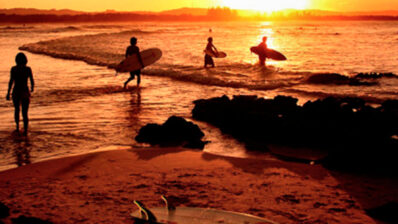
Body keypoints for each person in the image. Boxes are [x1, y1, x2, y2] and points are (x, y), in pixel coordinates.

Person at [6, 52, 34, 135]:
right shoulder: (28, 69)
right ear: (25, 60)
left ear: (16, 60)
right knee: (25, 112)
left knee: (17, 110)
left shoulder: (14, 69)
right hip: (25, 91)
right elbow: (31, 80)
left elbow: (11, 81)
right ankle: (25, 129)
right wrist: (32, 87)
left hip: (16, 91)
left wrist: (8, 92)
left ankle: (17, 127)